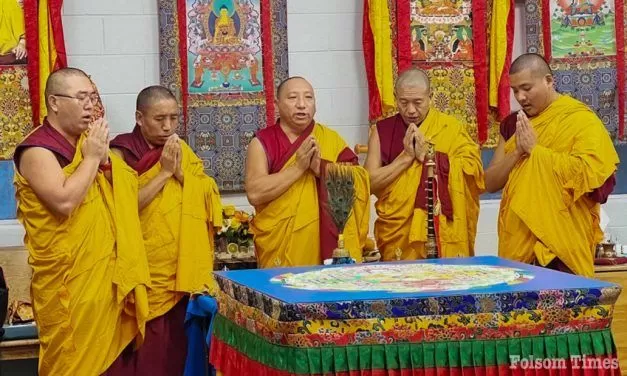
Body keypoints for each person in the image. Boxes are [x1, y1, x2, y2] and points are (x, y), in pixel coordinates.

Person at [13, 67, 150, 376]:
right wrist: (91, 159)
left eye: (92, 97)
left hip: (108, 279)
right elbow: (63, 203)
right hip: (70, 287)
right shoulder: (39, 149)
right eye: (81, 97)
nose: (90, 105)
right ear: (55, 102)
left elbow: (123, 195)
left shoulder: (87, 144)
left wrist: (103, 163)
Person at [107, 85, 222, 375]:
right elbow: (122, 208)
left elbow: (208, 196)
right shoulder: (119, 153)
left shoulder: (180, 150)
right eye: (159, 119)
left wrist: (181, 173)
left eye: (173, 118)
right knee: (144, 356)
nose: (168, 126)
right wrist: (164, 173)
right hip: (141, 270)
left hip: (180, 272)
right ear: (139, 117)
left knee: (178, 352)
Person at [485, 53, 619, 277]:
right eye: (515, 90)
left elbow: (597, 181)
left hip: (562, 245)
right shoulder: (513, 125)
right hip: (519, 242)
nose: (520, 97)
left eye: (526, 88)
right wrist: (518, 150)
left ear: (548, 80)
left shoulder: (579, 119)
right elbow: (489, 182)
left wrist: (537, 152)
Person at [245, 76, 370, 268]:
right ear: (277, 104)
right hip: (282, 247)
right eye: (293, 98)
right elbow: (255, 193)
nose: (302, 105)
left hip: (330, 245)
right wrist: (299, 168)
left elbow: (360, 182)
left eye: (308, 97)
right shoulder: (263, 142)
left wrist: (321, 168)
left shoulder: (331, 139)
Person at [364, 68, 484, 261]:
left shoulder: (451, 128)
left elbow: (472, 171)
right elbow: (367, 183)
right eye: (403, 102)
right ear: (395, 98)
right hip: (398, 238)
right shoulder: (382, 131)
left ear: (431, 97)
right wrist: (405, 158)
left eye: (417, 102)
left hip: (444, 232)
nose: (410, 110)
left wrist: (430, 157)